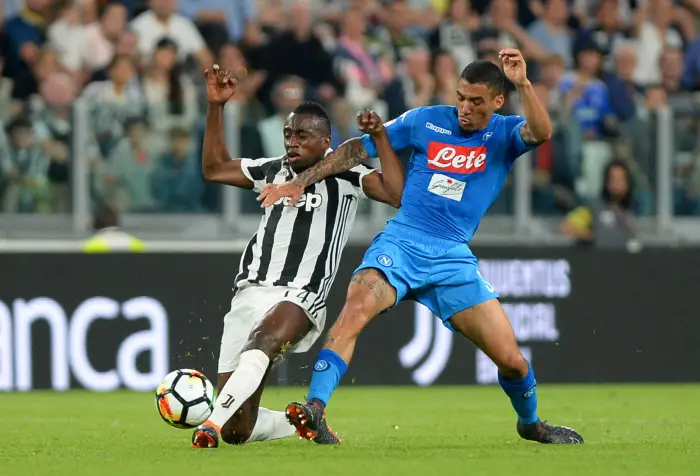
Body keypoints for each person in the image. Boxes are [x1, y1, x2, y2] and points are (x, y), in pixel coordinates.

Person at [258, 50, 584, 445]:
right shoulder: (424, 120)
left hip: (452, 258)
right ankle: (315, 410)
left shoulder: (503, 133)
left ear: (498, 101)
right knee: (355, 310)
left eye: (476, 101)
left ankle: (530, 424)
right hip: (402, 243)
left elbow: (543, 132)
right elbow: (355, 150)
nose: (465, 108)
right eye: (461, 97)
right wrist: (300, 181)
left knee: (513, 362)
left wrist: (524, 84)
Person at [191, 65, 405, 448]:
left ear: (326, 142)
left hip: (301, 295)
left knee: (263, 342)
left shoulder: (348, 174)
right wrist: (215, 107)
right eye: (289, 133)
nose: (292, 142)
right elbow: (213, 169)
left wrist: (380, 138)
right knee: (242, 429)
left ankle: (209, 425)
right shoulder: (272, 169)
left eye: (303, 135)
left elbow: (396, 194)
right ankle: (300, 424)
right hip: (250, 292)